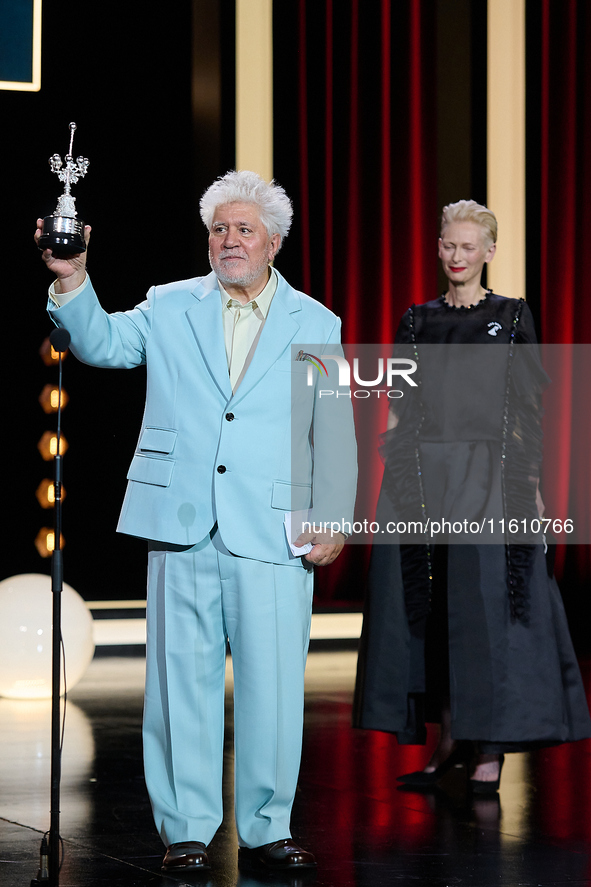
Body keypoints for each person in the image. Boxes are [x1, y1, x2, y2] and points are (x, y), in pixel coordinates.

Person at [35, 170, 356, 872]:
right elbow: (104, 345)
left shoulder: (316, 320)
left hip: (274, 525)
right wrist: (71, 279)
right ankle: (185, 827)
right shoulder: (169, 303)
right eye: (218, 229)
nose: (227, 240)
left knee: (273, 685)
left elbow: (331, 425)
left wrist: (334, 513)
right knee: (180, 682)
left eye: (243, 229)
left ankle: (268, 826)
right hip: (179, 518)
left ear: (274, 241)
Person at [353, 199, 591, 792]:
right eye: (448, 245)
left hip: (490, 477)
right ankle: (450, 742)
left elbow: (527, 412)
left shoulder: (512, 316)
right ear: (438, 247)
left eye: (468, 247)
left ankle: (489, 751)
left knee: (485, 614)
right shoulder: (417, 319)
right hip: (425, 480)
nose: (456, 256)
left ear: (488, 251)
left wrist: (530, 489)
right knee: (433, 613)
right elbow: (403, 409)